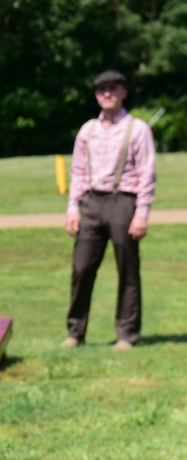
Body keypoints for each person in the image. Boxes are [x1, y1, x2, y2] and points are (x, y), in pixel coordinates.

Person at [63, 69, 156, 351]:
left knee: (127, 269)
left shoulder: (137, 129)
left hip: (123, 202)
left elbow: (147, 173)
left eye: (113, 88)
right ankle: (75, 332)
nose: (107, 94)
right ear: (96, 94)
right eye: (102, 89)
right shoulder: (87, 130)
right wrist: (72, 208)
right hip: (91, 203)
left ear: (123, 92)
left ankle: (126, 334)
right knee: (81, 268)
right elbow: (78, 171)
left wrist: (141, 213)